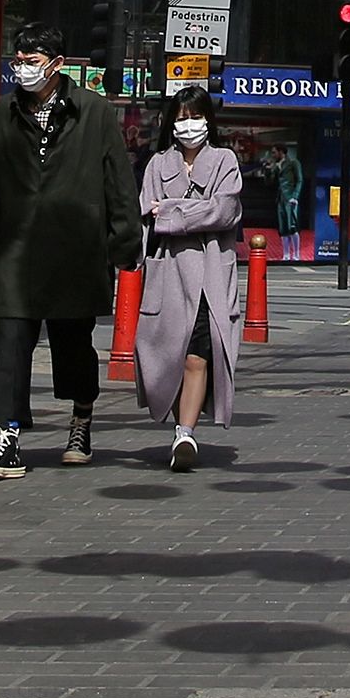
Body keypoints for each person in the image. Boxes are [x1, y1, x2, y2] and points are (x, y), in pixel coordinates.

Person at [0, 30, 134, 481]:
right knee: (11, 343)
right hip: (17, 248)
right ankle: (6, 437)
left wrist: (125, 244)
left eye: (32, 58)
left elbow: (119, 182)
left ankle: (81, 419)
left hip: (75, 248)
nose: (23, 66)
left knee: (73, 344)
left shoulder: (94, 113)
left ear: (56, 63)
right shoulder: (1, 114)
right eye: (17, 58)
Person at [131, 83, 244, 470]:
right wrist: (190, 212)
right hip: (167, 274)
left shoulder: (225, 160)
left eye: (196, 117)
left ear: (208, 120)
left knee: (199, 356)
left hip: (210, 273)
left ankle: (185, 433)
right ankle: (179, 423)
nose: (189, 125)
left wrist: (173, 213)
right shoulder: (157, 165)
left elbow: (225, 212)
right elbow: (148, 214)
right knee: (166, 356)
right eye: (181, 118)